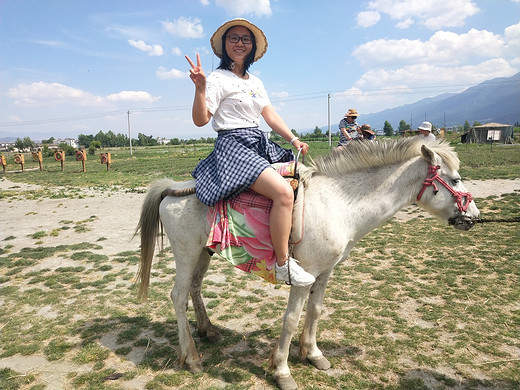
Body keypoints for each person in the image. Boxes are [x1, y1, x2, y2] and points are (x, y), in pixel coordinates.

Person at [185, 18, 315, 287]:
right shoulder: (217, 79)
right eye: (233, 38)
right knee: (282, 192)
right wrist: (200, 88)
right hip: (233, 146)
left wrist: (293, 139)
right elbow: (201, 120)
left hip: (258, 141)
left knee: (300, 176)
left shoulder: (256, 81)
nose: (239, 43)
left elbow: (269, 115)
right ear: (224, 44)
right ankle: (281, 265)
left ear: (253, 47)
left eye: (246, 39)